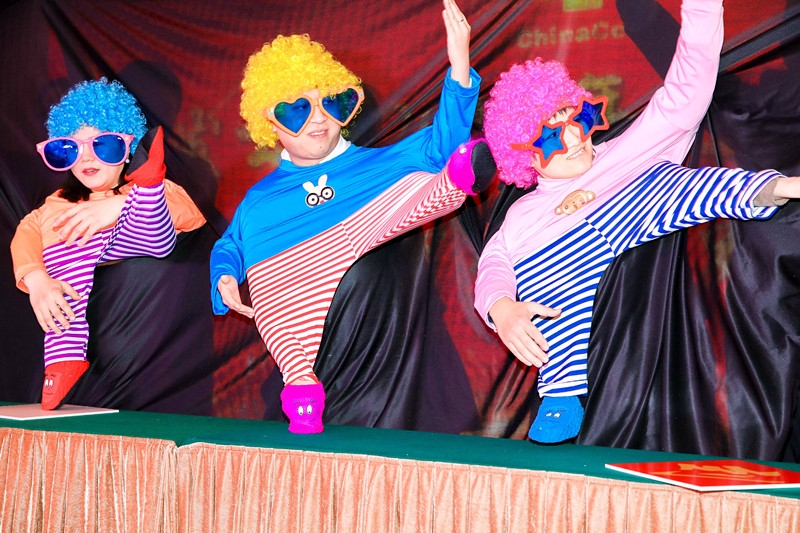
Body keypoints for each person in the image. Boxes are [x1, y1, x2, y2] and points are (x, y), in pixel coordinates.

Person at [475, 0, 800, 444]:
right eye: (552, 136)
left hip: (639, 310)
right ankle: (561, 391)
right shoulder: (519, 217)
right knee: (542, 269)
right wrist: (501, 309)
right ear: (524, 157)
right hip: (569, 318)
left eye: (578, 120)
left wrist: (703, 6)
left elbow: (687, 87)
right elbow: (493, 265)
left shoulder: (631, 151)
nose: (575, 140)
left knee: (661, 182)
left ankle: (776, 188)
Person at [210, 0, 494, 434]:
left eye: (332, 102)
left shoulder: (377, 165)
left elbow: (441, 144)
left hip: (369, 344)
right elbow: (231, 243)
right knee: (272, 302)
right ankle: (300, 388)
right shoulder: (259, 199)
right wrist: (225, 275)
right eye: (297, 109)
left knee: (408, 192)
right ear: (270, 122)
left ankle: (455, 183)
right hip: (289, 297)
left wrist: (459, 66)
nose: (319, 118)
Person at [11, 78, 206, 410]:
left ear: (128, 149)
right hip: (84, 296)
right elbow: (25, 234)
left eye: (104, 145)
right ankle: (63, 358)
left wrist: (119, 204)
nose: (87, 157)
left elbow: (192, 214)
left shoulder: (149, 192)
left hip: (137, 249)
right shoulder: (55, 205)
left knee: (152, 219)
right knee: (65, 258)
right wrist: (37, 280)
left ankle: (146, 201)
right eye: (70, 148)